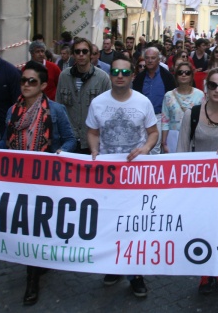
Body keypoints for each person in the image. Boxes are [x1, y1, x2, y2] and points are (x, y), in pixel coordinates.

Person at [0, 61, 75, 305]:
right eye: (23, 80)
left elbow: (70, 139)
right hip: (18, 180)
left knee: (39, 227)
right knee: (28, 228)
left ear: (43, 85)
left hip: (45, 180)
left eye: (32, 81)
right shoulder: (13, 111)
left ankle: (34, 274)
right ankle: (34, 273)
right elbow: (5, 143)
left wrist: (60, 154)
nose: (26, 85)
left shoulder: (55, 111)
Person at [86, 54, 159, 298]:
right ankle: (113, 266)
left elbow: (152, 133)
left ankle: (136, 274)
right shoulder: (97, 103)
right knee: (111, 224)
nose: (119, 76)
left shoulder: (143, 102)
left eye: (125, 73)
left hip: (136, 175)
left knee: (134, 226)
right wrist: (94, 149)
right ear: (110, 75)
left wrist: (146, 148)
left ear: (132, 76)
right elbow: (93, 132)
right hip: (108, 176)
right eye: (115, 72)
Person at [177, 67, 218, 295]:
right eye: (213, 85)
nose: (217, 90)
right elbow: (182, 151)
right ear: (206, 87)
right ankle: (205, 273)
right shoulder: (192, 114)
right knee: (202, 228)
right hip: (198, 185)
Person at [56, 38, 111, 153]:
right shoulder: (64, 76)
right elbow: (58, 108)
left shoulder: (103, 78)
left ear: (90, 54)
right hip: (69, 140)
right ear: (73, 55)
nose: (81, 54)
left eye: (85, 51)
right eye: (77, 51)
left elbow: (109, 111)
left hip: (93, 142)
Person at [132, 47, 177, 154]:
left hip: (159, 116)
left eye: (153, 58)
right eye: (147, 58)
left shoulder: (167, 77)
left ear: (159, 60)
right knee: (140, 145)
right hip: (142, 116)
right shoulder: (140, 78)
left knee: (154, 148)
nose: (150, 60)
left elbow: (172, 97)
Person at [160, 61, 204, 153]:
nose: (183, 75)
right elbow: (165, 121)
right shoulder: (169, 95)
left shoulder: (200, 95)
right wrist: (164, 143)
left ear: (192, 76)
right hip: (173, 137)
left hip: (194, 136)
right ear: (176, 76)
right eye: (180, 72)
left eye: (187, 72)